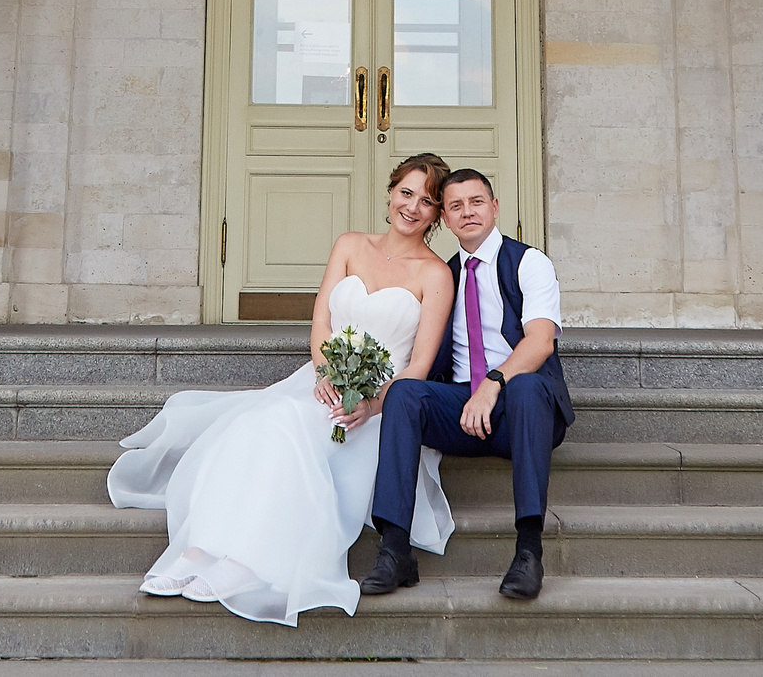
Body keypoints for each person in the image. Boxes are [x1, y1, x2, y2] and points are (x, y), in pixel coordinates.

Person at [106, 152, 459, 625]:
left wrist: (372, 405)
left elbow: (419, 364)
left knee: (289, 434)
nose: (413, 207)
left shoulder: (436, 274)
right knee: (257, 424)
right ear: (391, 193)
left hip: (379, 406)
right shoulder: (351, 245)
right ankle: (198, 552)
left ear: (437, 214)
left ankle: (243, 563)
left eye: (428, 201)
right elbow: (322, 319)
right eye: (406, 193)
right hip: (322, 382)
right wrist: (324, 372)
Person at [359, 166, 571, 601]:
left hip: (520, 413)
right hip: (461, 410)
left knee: (529, 387)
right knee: (403, 393)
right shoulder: (444, 274)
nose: (467, 212)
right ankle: (395, 549)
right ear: (446, 219)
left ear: (494, 208)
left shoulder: (529, 262)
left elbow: (541, 342)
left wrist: (493, 384)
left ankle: (529, 551)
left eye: (476, 202)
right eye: (455, 206)